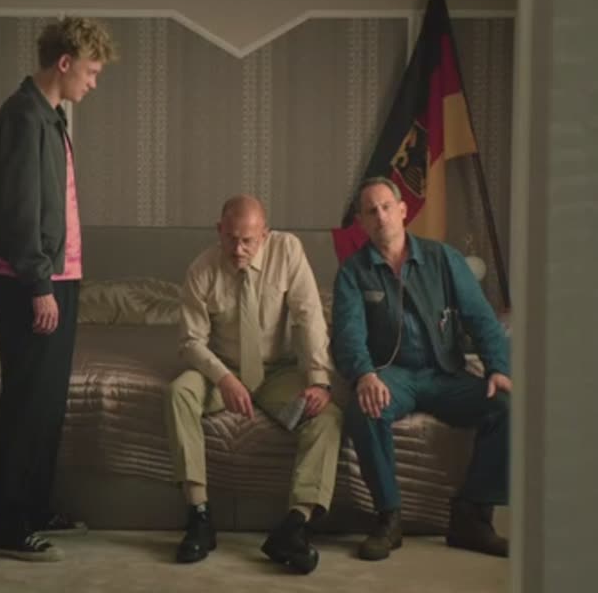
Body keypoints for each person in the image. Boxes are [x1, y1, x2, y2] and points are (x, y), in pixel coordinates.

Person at [0, 16, 117, 562]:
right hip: (31, 282)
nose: (94, 82)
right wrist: (38, 284)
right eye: (91, 71)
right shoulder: (22, 116)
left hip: (58, 278)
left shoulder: (49, 116)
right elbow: (14, 215)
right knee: (25, 400)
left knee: (47, 403)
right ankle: (8, 524)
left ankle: (34, 507)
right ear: (65, 63)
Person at [332, 177, 512, 560]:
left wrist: (498, 368)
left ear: (402, 211)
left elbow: (481, 318)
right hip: (392, 375)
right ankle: (388, 518)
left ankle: (472, 518)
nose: (380, 216)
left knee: (507, 407)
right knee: (364, 409)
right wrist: (364, 374)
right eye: (371, 211)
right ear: (361, 223)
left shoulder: (443, 258)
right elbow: (348, 335)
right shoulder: (353, 272)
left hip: (444, 373)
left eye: (386, 207)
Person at [165, 195, 342, 574]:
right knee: (179, 392)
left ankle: (295, 525)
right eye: (230, 239)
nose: (238, 249)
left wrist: (319, 380)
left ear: (265, 234)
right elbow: (190, 342)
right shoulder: (202, 268)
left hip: (277, 371)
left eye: (248, 240)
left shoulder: (288, 251)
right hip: (222, 370)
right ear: (219, 231)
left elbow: (309, 317)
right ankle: (199, 514)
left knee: (327, 417)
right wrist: (224, 378)